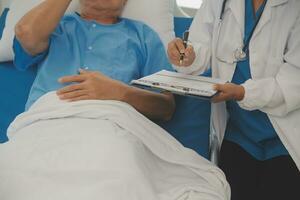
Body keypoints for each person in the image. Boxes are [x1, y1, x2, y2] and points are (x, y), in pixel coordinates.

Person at [168, 0, 300, 199]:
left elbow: (294, 82)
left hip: (286, 137)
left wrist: (243, 93)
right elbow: (199, 47)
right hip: (239, 134)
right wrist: (187, 56)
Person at [14, 0, 175, 121]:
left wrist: (120, 93)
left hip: (110, 127)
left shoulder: (144, 36)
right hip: (45, 122)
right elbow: (25, 32)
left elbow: (166, 108)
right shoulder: (54, 27)